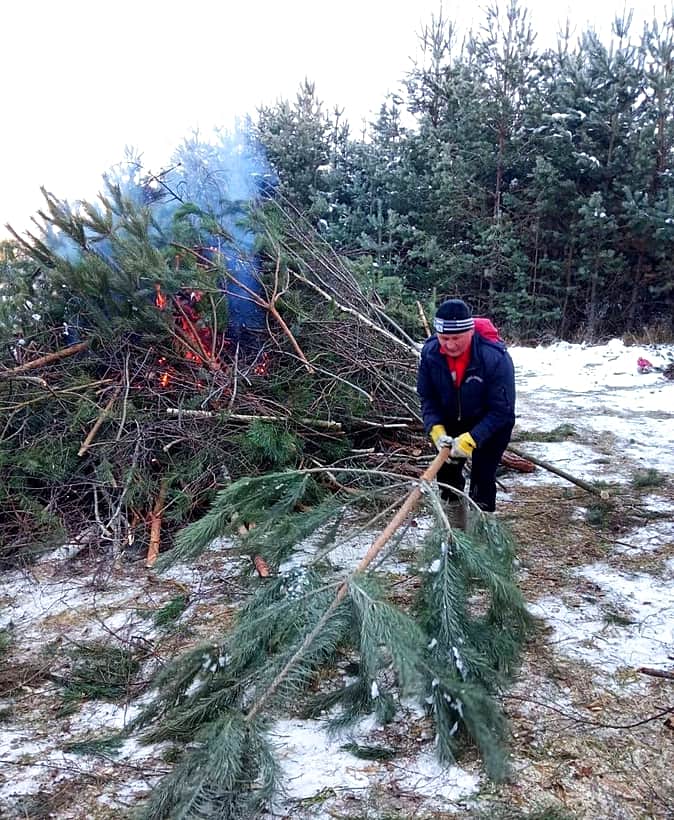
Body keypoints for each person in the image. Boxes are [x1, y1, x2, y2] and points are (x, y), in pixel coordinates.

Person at [416, 298, 516, 514]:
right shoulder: (430, 354)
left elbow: (503, 411)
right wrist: (435, 428)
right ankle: (455, 532)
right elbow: (428, 398)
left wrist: (473, 439)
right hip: (452, 420)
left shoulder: (494, 357)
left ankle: (482, 529)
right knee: (447, 477)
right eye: (444, 338)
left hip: (491, 424)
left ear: (470, 332)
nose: (450, 344)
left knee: (482, 477)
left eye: (456, 338)